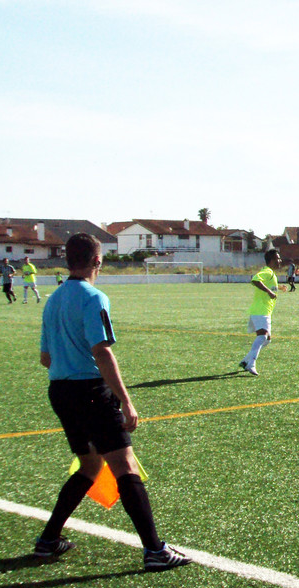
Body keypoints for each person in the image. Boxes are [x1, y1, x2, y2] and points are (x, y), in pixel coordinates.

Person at [35, 233, 191, 569]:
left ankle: (48, 540)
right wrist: (125, 400)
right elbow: (101, 351)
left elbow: (46, 359)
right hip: (90, 392)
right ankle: (155, 551)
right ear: (96, 260)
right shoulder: (94, 297)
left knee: (90, 466)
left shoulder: (53, 299)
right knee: (125, 466)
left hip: (59, 391)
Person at [240, 249, 283, 375]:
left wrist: (279, 287)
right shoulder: (267, 272)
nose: (280, 261)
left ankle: (245, 360)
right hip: (260, 310)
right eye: (278, 259)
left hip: (264, 311)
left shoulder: (271, 274)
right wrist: (269, 292)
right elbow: (255, 280)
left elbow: (267, 284)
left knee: (267, 340)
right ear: (272, 260)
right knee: (262, 336)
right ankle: (251, 363)